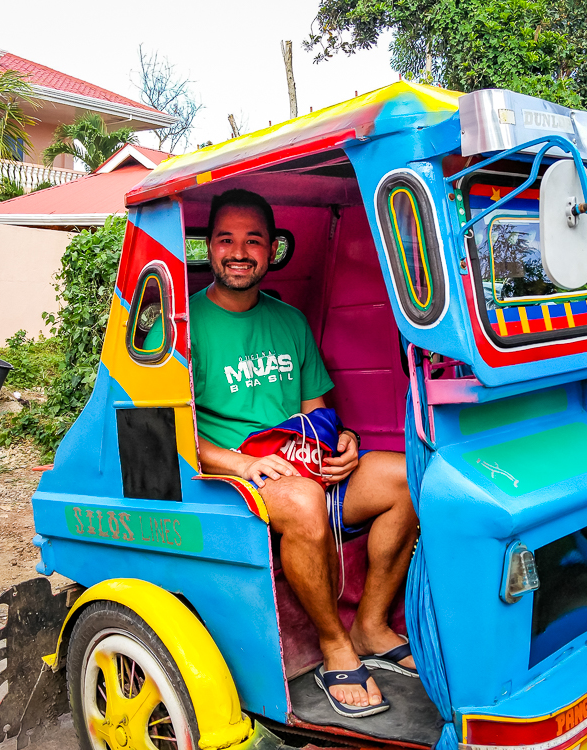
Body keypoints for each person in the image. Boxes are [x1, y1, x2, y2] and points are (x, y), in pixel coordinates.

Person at [191, 189, 419, 718]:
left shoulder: (289, 320)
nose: (239, 252)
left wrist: (345, 443)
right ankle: (334, 642)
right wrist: (240, 463)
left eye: (253, 240)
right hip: (231, 476)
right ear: (209, 248)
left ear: (271, 249)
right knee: (302, 502)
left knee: (407, 477)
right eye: (226, 240)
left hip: (300, 460)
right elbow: (171, 429)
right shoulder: (182, 325)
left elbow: (317, 410)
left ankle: (371, 625)